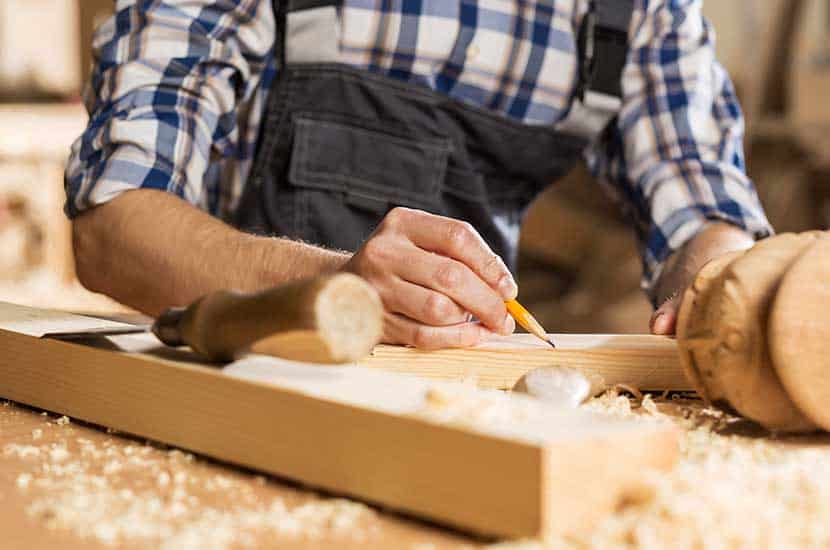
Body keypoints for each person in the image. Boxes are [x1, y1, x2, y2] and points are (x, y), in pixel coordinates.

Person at [66, 0, 771, 349]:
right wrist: (333, 288)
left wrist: (723, 291)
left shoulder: (636, 11)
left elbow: (706, 206)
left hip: (461, 409)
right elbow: (113, 226)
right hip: (251, 389)